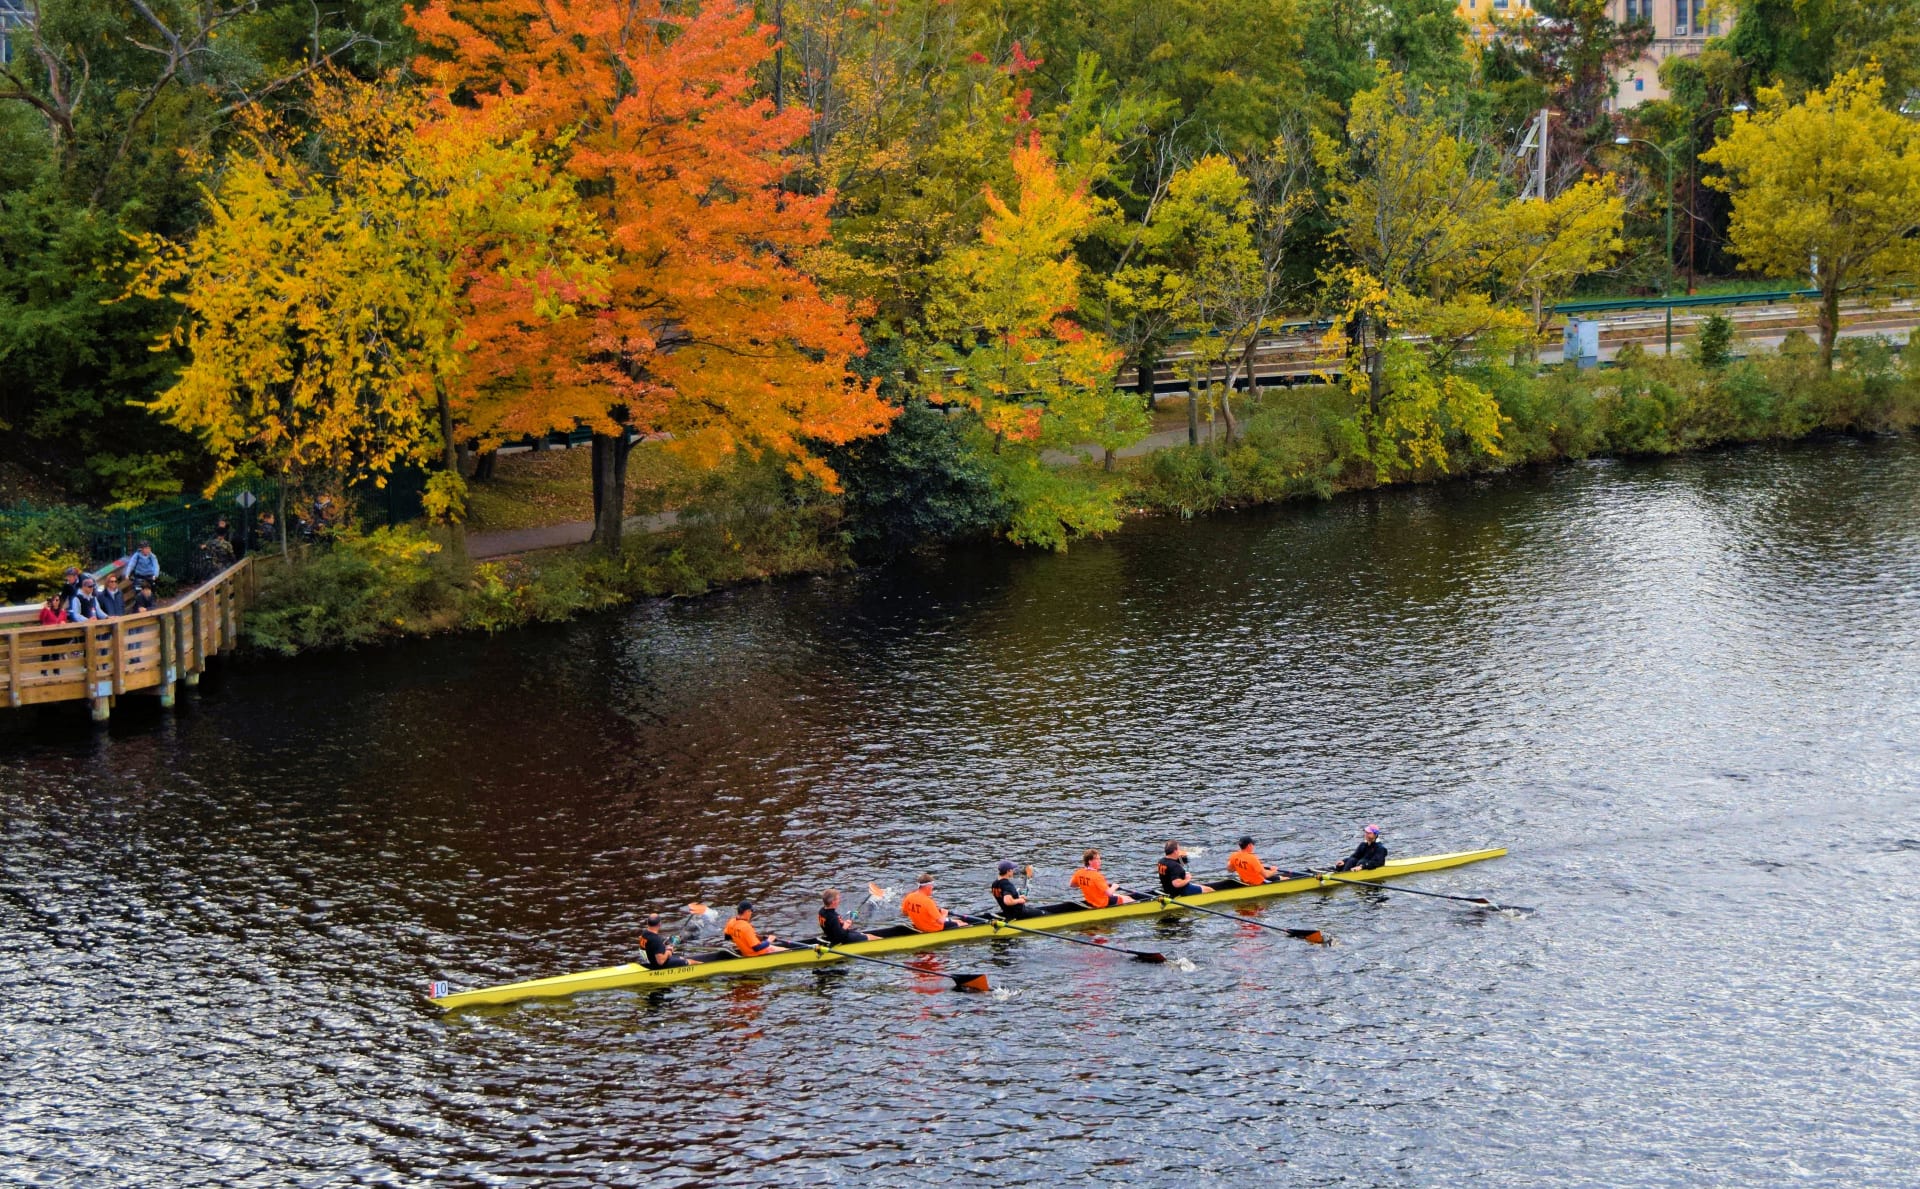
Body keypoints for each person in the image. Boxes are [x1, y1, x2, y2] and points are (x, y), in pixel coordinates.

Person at [900, 874, 970, 933]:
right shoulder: (928, 901)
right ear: (928, 887)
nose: (932, 888)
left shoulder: (909, 896)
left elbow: (904, 913)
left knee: (958, 920)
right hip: (933, 928)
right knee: (965, 924)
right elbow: (941, 921)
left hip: (919, 926)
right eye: (932, 886)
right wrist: (944, 913)